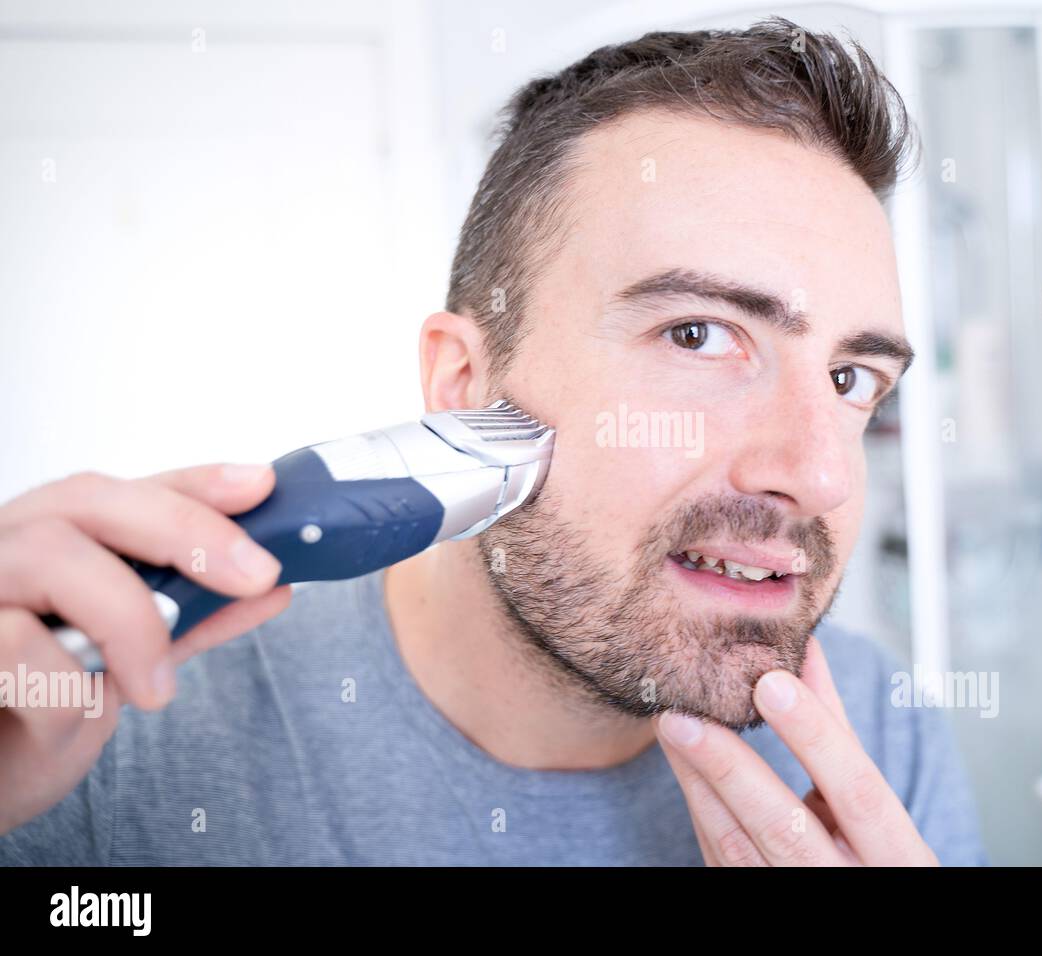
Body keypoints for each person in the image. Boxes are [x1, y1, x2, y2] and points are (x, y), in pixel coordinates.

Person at [0, 16, 988, 866]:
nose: (816, 471)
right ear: (463, 387)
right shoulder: (107, 725)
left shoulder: (871, 729)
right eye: (696, 334)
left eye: (852, 379)